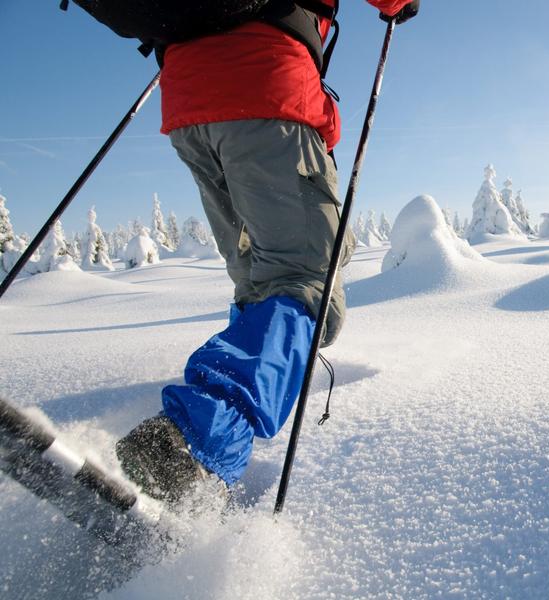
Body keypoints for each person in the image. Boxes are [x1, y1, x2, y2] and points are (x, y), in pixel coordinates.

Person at [115, 0, 420, 506]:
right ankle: (194, 444)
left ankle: (204, 435)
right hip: (266, 86)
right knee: (302, 280)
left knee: (259, 277)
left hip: (188, 103)